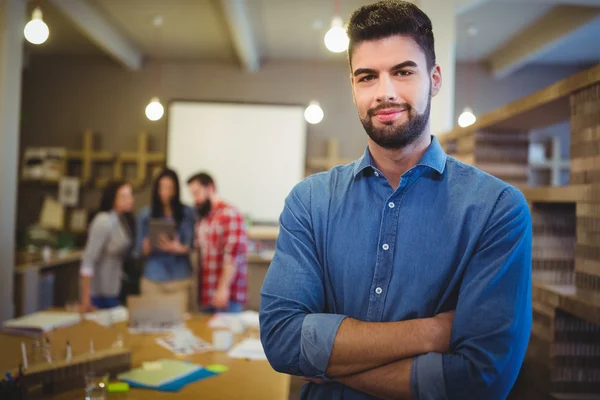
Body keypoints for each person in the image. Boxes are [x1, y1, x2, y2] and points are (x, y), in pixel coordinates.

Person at [259, 1, 532, 399]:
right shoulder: (310, 202)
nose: (384, 92)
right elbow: (282, 340)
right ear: (353, 87)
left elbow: (480, 379)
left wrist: (330, 365)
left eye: (403, 72)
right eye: (367, 77)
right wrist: (434, 331)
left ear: (434, 79)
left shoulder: (497, 209)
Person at [187, 172, 248, 313]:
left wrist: (223, 288)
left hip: (227, 295)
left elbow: (232, 255)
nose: (195, 199)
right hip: (206, 294)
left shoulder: (230, 214)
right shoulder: (203, 218)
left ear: (210, 188)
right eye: (192, 194)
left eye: (197, 193)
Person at [137, 168, 195, 304]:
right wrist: (147, 247)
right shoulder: (145, 214)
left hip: (180, 278)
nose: (166, 192)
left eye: (170, 188)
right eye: (162, 188)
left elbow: (193, 246)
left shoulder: (188, 213)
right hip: (154, 277)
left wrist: (177, 248)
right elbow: (138, 251)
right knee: (152, 321)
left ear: (176, 190)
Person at [80, 180, 135, 311]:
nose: (130, 200)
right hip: (99, 293)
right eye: (124, 196)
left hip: (114, 288)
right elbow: (88, 259)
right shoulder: (103, 221)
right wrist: (85, 298)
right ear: (113, 199)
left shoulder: (121, 220)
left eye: (130, 195)